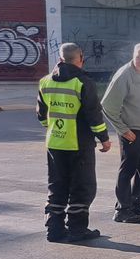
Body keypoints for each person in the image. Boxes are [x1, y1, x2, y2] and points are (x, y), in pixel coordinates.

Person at [37, 43, 112, 243]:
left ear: (60, 60)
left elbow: (42, 115)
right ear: (81, 59)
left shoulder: (45, 81)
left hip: (55, 143)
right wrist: (104, 138)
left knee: (56, 186)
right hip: (79, 144)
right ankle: (77, 230)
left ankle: (54, 229)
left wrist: (54, 128)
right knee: (82, 187)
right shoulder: (83, 82)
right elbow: (93, 115)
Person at [102, 42, 140, 223]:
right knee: (127, 170)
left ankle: (136, 202)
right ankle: (122, 209)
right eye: (138, 57)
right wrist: (123, 130)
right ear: (133, 55)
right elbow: (107, 106)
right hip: (130, 131)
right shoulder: (124, 76)